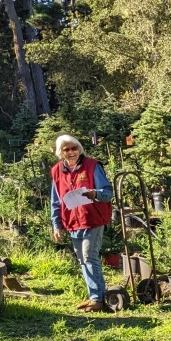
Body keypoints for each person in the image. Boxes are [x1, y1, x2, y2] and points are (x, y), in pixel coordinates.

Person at [50, 134, 114, 313]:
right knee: (82, 259)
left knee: (89, 255)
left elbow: (108, 193)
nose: (71, 152)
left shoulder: (92, 166)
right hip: (71, 221)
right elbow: (55, 201)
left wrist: (95, 193)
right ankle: (96, 295)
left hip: (93, 218)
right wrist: (57, 225)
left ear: (79, 149)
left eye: (74, 148)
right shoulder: (56, 171)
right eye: (66, 149)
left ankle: (98, 300)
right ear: (60, 153)